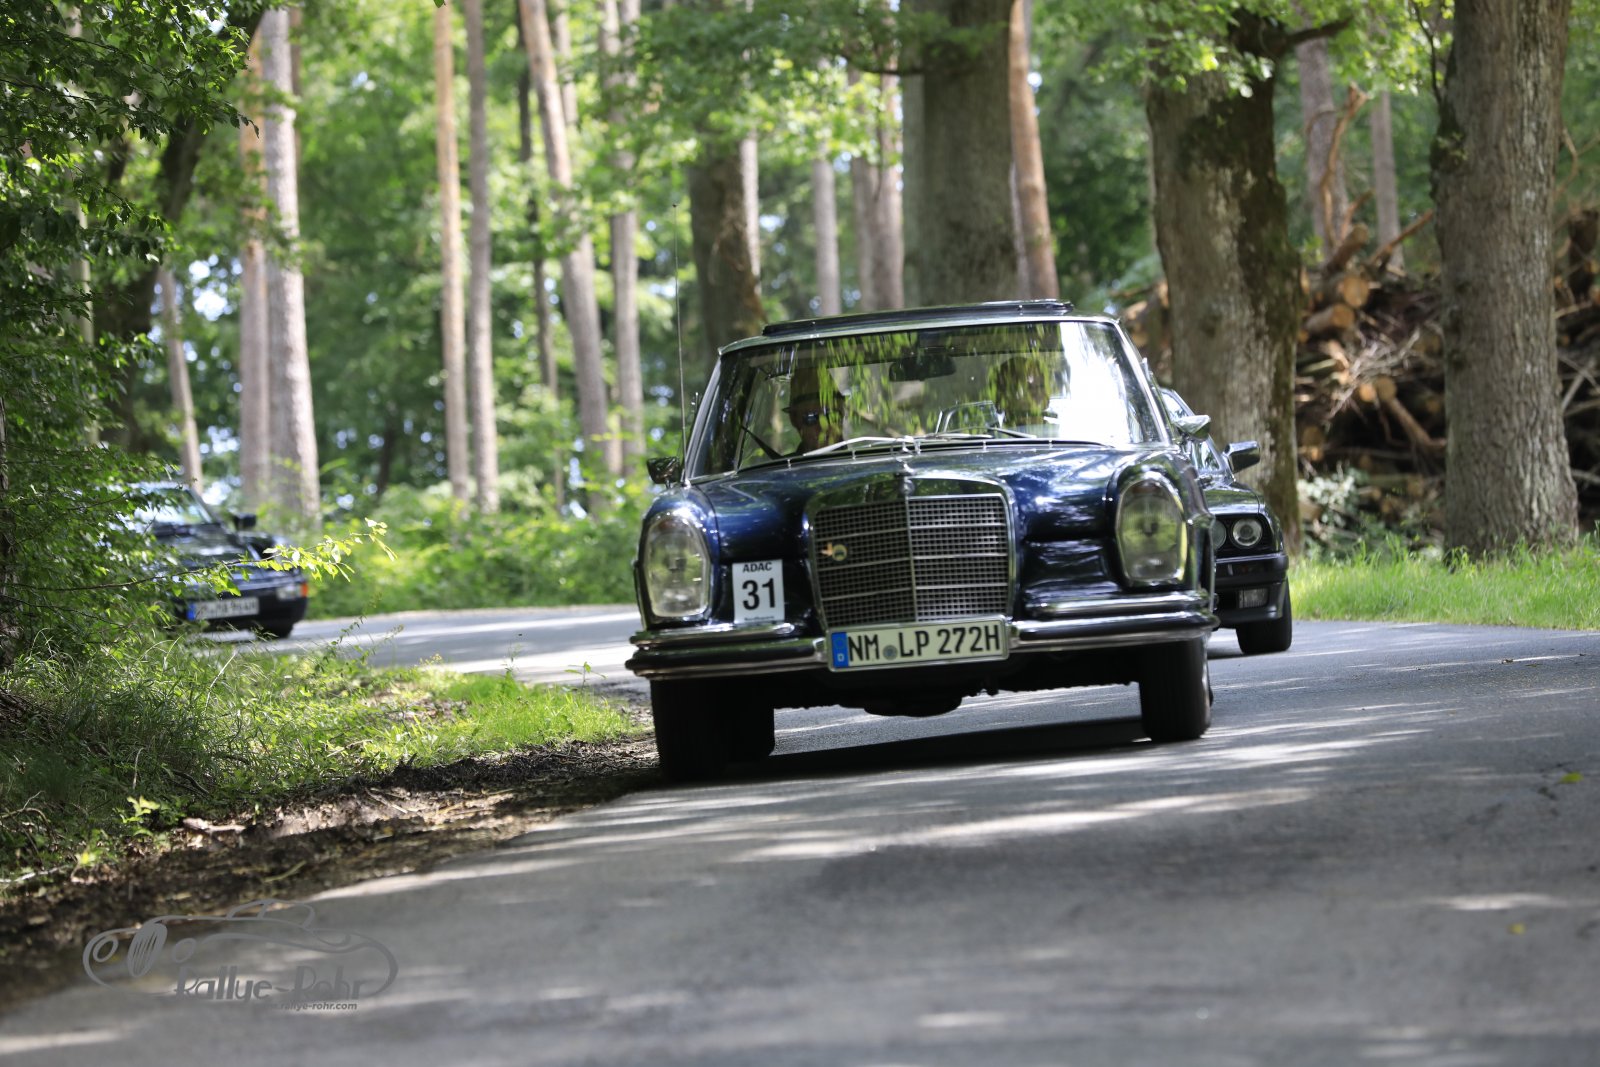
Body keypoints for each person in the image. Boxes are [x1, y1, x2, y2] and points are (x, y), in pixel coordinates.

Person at [990, 355, 1057, 436]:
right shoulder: (994, 439)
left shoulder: (1058, 435)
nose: (1038, 393)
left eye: (1041, 386)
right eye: (1029, 387)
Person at [785, 367, 845, 453]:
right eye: (811, 418)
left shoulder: (862, 458)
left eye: (831, 416)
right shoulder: (780, 463)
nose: (823, 426)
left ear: (842, 414)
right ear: (794, 420)